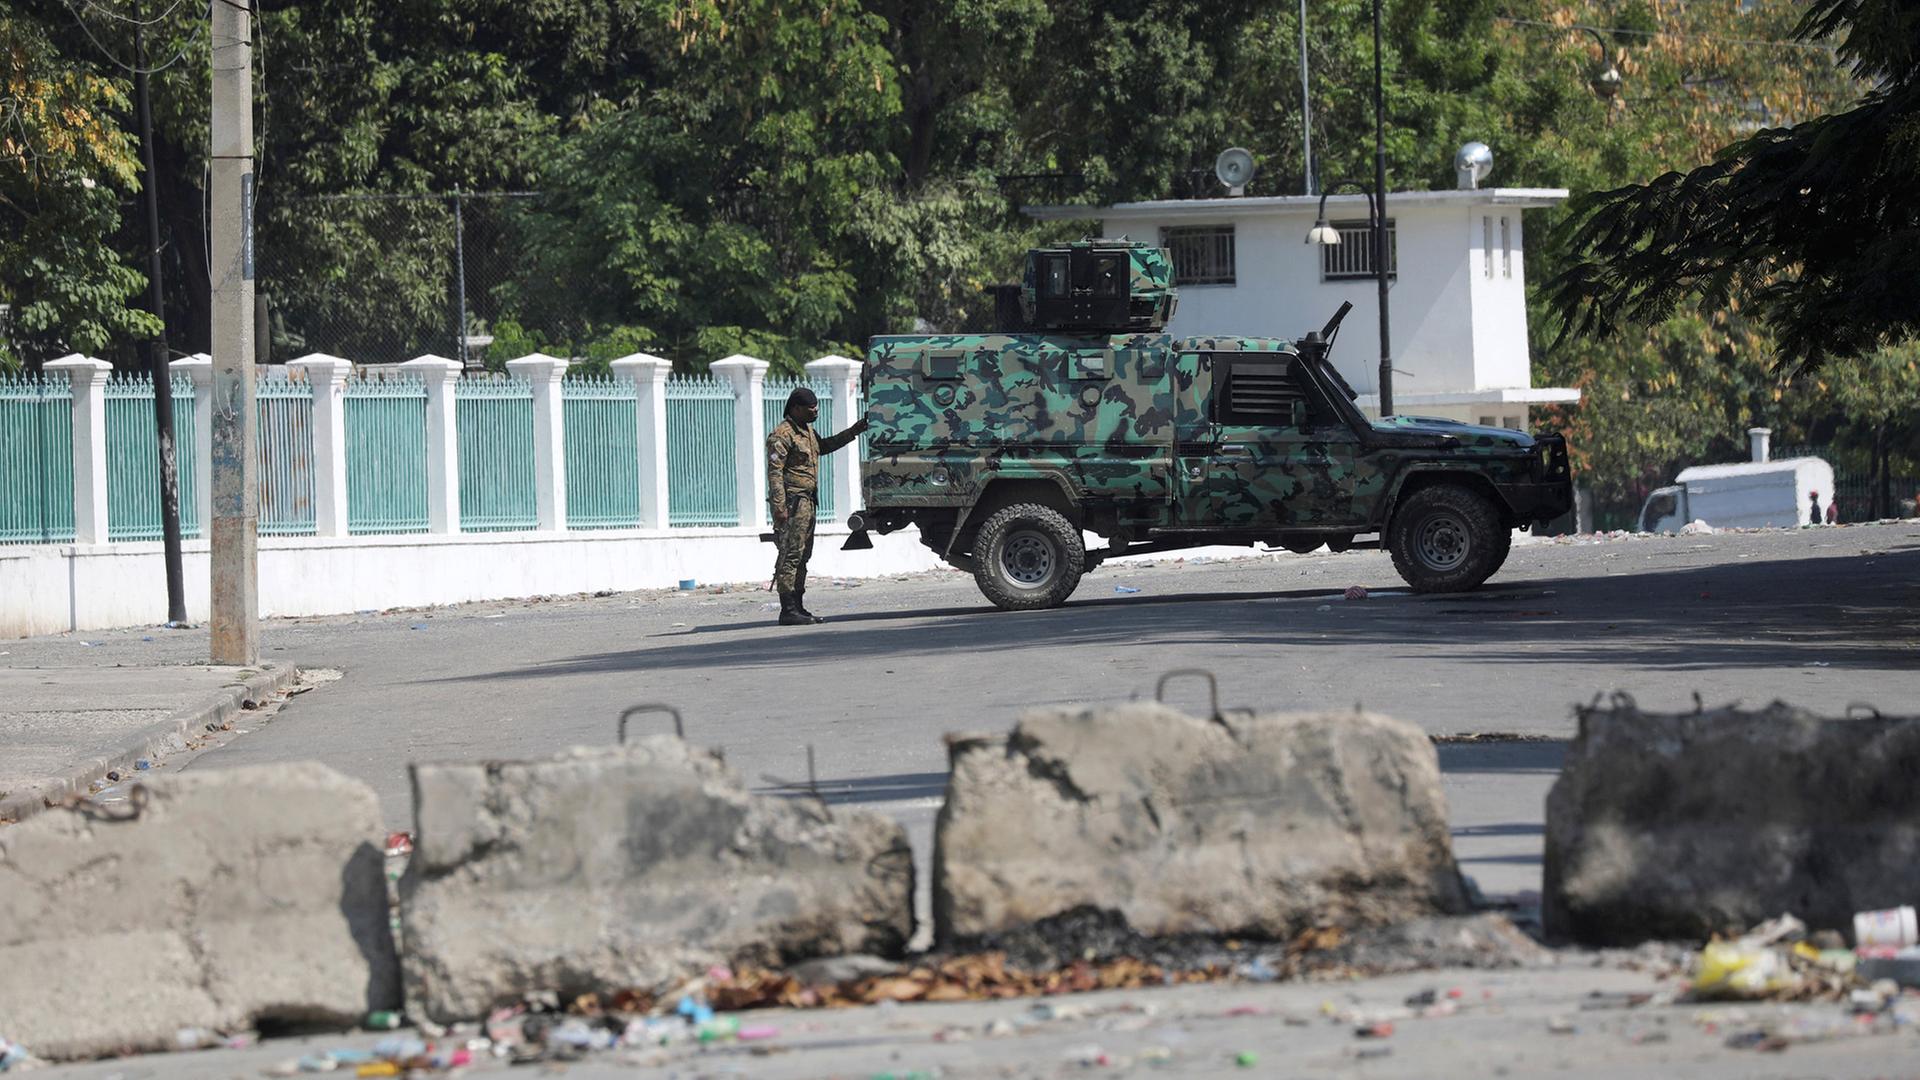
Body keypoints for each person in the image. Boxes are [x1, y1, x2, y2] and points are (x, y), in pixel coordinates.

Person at [767, 386, 869, 626]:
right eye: (810, 408)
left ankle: (798, 606)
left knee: (804, 554)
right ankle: (787, 609)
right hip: (793, 503)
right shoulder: (782, 435)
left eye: (816, 407)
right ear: (795, 408)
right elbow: (774, 474)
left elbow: (824, 447)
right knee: (790, 554)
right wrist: (779, 508)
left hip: (809, 501)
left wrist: (854, 431)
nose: (815, 411)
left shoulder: (807, 432)